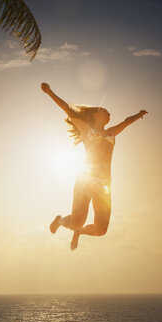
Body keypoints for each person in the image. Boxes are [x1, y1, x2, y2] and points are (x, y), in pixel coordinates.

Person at [41, 82, 148, 250]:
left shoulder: (112, 131)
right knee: (77, 221)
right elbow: (68, 110)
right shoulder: (85, 129)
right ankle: (60, 221)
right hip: (86, 180)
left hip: (104, 185)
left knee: (101, 230)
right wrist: (50, 92)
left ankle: (79, 233)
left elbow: (126, 122)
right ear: (97, 114)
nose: (109, 113)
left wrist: (138, 114)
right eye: (105, 111)